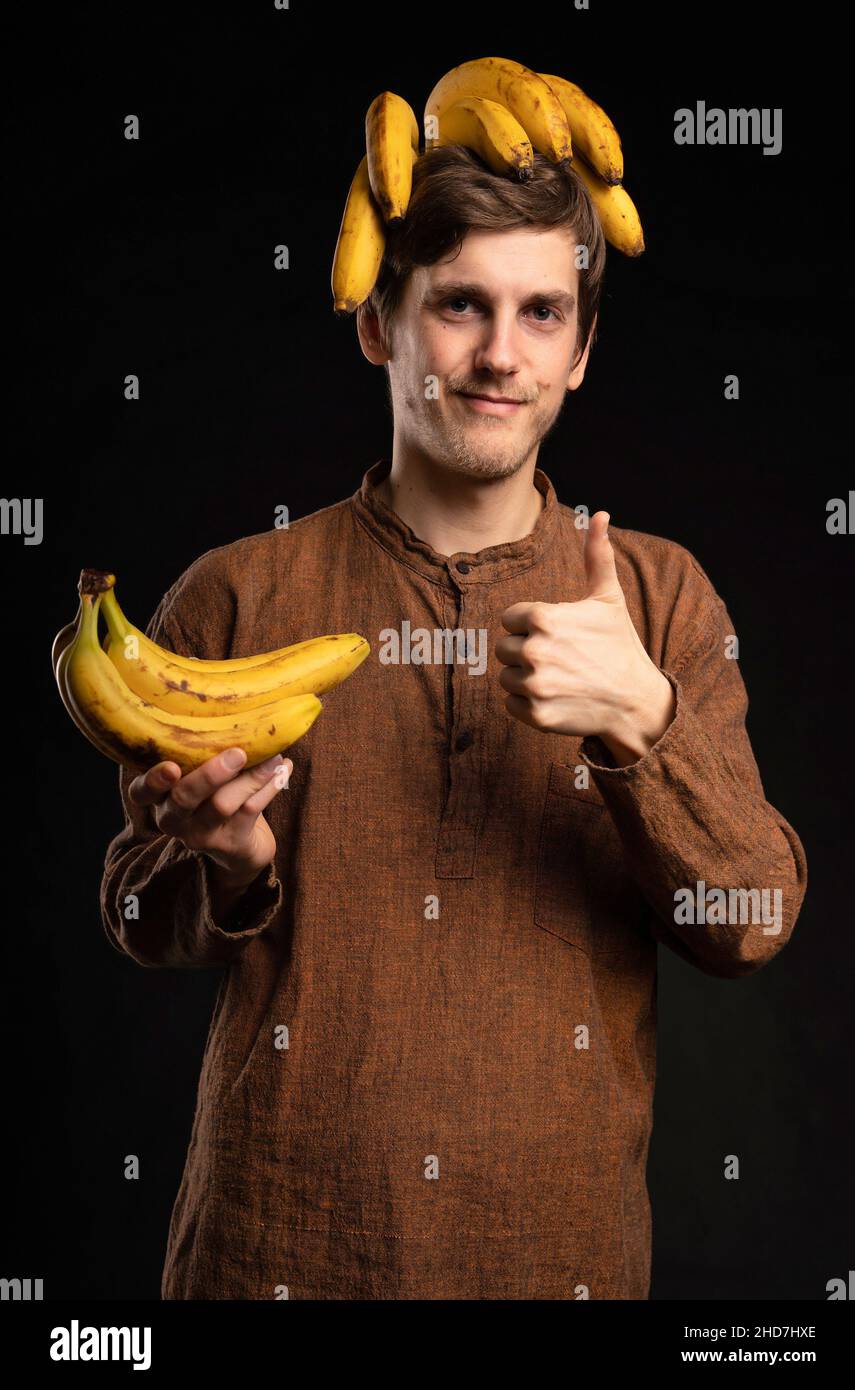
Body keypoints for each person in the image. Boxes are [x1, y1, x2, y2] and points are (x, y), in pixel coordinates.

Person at [100, 145, 807, 1299]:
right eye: (460, 305)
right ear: (381, 324)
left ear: (579, 352)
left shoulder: (661, 597)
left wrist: (642, 723)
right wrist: (225, 869)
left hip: (554, 1265)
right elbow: (132, 908)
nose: (497, 354)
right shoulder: (236, 594)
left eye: (541, 313)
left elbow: (752, 921)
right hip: (270, 1257)